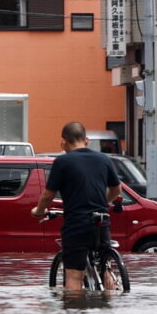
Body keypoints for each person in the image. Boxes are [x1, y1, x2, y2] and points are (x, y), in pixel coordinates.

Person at [31, 122, 122, 290]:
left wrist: (39, 211)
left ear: (63, 142)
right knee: (105, 266)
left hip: (77, 223)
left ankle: (75, 312)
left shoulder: (62, 162)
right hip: (101, 221)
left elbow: (48, 195)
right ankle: (110, 305)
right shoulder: (104, 159)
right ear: (86, 141)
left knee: (74, 275)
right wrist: (103, 202)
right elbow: (117, 190)